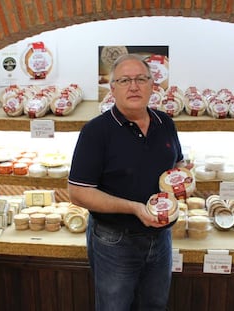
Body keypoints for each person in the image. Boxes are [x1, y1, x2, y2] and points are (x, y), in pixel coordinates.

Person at [68, 53, 185, 311]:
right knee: (114, 307)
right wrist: (133, 207)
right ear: (112, 89)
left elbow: (177, 163)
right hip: (115, 241)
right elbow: (78, 192)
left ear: (153, 85)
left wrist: (183, 178)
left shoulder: (165, 123)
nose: (134, 86)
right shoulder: (96, 132)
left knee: (154, 305)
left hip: (161, 237)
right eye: (124, 80)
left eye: (141, 79)